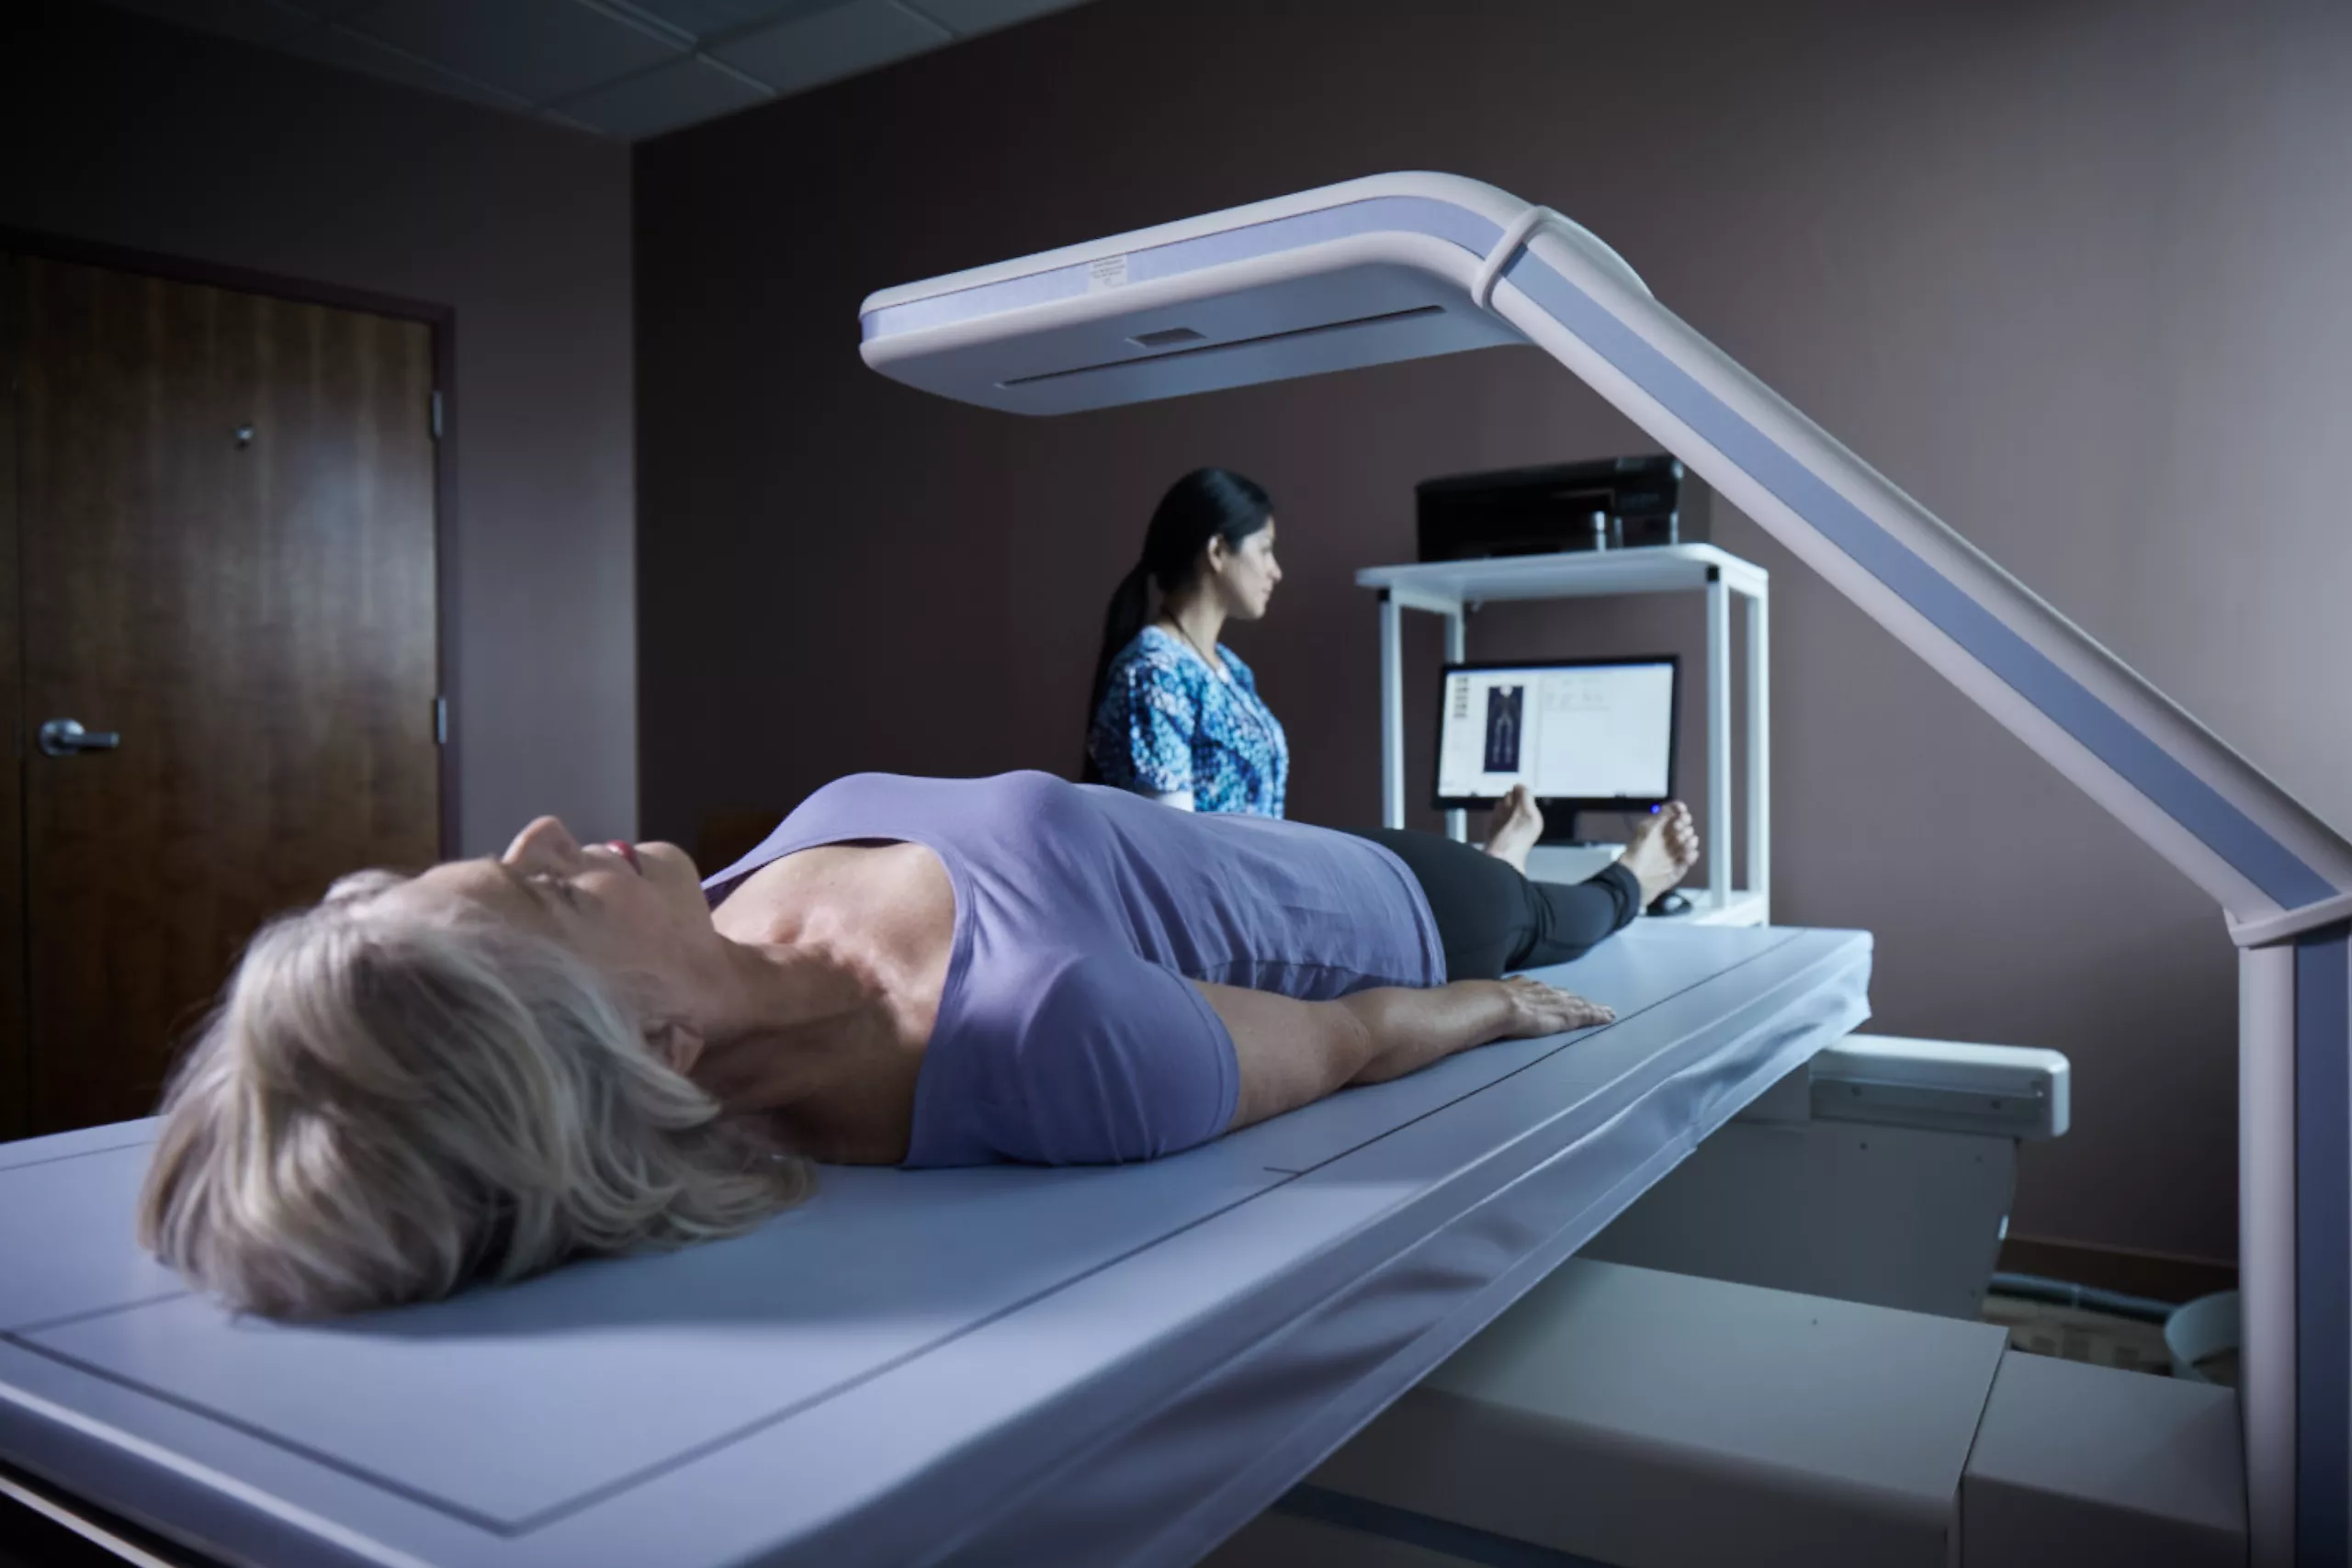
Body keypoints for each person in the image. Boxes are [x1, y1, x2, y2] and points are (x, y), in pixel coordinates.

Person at [139, 772, 1699, 1318]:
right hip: (1398, 911)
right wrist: (1499, 1004)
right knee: (1558, 909)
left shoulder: (717, 911)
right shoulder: (1049, 1041)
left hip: (1257, 833)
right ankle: (1643, 872)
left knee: (1484, 852)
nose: (551, 828)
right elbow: (1352, 1035)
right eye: (544, 887)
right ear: (650, 1042)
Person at [1085, 468, 1288, 816]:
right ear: (1218, 551)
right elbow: (1171, 840)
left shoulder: (1232, 670)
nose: (1276, 570)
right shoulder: (1154, 672)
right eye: (1265, 550)